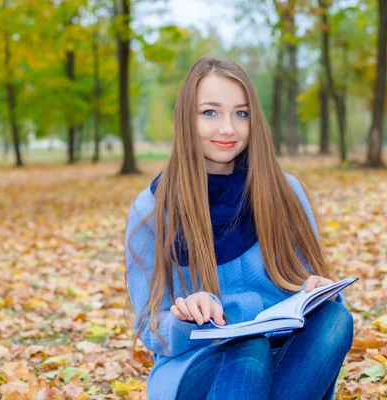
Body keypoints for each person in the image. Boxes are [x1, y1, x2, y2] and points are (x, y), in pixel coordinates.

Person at [125, 56, 354, 400]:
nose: (228, 128)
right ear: (186, 118)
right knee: (250, 350)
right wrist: (188, 316)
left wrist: (321, 289)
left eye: (241, 113)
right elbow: (149, 325)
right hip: (198, 366)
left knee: (336, 319)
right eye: (210, 112)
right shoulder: (153, 210)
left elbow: (312, 287)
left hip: (286, 360)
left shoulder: (285, 192)